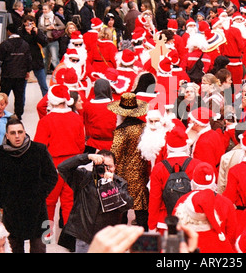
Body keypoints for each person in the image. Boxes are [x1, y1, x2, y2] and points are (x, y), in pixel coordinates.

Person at [0, 118, 58, 253]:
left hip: (37, 210)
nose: (17, 136)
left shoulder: (39, 150)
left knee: (39, 248)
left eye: (20, 132)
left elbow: (52, 176)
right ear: (6, 135)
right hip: (12, 211)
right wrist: (3, 199)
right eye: (12, 133)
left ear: (25, 132)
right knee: (14, 248)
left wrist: (40, 194)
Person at [58, 150, 134, 253]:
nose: (106, 169)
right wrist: (87, 157)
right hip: (84, 237)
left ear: (115, 166)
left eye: (110, 166)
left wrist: (113, 185)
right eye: (102, 166)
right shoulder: (83, 177)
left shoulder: (120, 183)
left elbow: (128, 204)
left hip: (106, 239)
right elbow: (62, 167)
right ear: (95, 165)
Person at [34, 84, 86, 234]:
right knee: (69, 202)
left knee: (48, 202)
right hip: (72, 165)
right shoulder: (76, 119)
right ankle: (69, 237)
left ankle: (46, 235)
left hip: (53, 166)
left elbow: (39, 148)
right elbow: (81, 145)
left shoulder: (46, 121)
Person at [148, 126, 203, 234]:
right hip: (191, 221)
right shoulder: (197, 165)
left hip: (165, 221)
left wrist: (152, 226)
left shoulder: (159, 168)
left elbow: (154, 200)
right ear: (186, 145)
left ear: (168, 146)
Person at [108, 93, 150, 230]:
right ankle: (144, 234)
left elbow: (115, 153)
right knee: (141, 205)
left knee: (122, 205)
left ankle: (121, 235)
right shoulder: (144, 126)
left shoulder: (122, 131)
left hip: (123, 173)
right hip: (141, 170)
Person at [0, 24, 32, 120]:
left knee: (3, 95)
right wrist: (28, 71)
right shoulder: (25, 44)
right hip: (21, 74)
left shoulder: (5, 44)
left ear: (8, 31)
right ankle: (18, 114)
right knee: (19, 96)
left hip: (7, 74)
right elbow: (29, 59)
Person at [18, 15, 49, 97]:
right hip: (24, 60)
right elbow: (23, 43)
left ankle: (47, 102)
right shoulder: (21, 31)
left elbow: (45, 43)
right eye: (27, 24)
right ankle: (20, 107)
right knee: (21, 87)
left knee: (43, 84)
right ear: (24, 24)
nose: (29, 26)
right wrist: (28, 33)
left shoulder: (37, 31)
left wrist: (36, 33)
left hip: (36, 59)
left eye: (31, 23)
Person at [83, 79, 116, 153]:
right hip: (113, 145)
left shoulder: (88, 106)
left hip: (93, 145)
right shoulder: (115, 106)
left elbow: (86, 125)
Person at [38, 3, 65, 72]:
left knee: (55, 59)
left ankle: (59, 73)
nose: (44, 11)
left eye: (45, 9)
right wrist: (47, 28)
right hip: (44, 41)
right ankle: (43, 76)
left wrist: (55, 27)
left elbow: (62, 26)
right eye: (43, 9)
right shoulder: (41, 18)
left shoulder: (54, 17)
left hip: (53, 41)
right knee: (45, 60)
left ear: (49, 9)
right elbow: (39, 28)